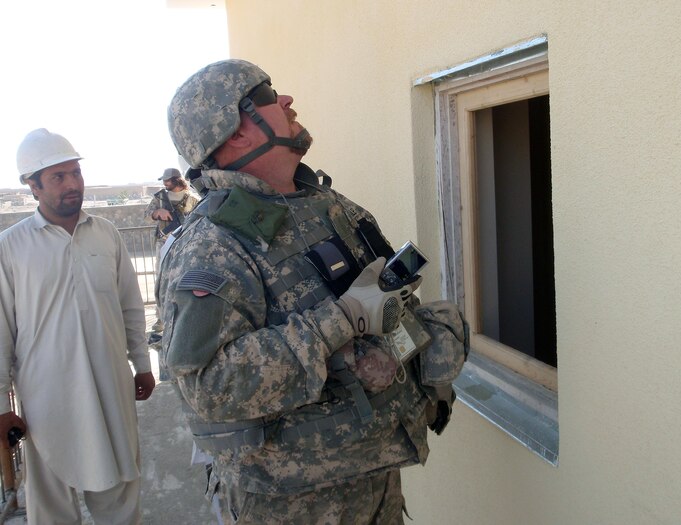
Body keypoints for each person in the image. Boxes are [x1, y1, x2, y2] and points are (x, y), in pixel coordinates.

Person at [159, 59, 467, 524]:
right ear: (236, 133)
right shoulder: (212, 245)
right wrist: (339, 321)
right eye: (265, 97)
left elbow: (390, 299)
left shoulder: (328, 205)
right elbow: (211, 384)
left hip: (373, 473)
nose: (285, 101)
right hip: (292, 502)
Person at [0, 128, 156, 524]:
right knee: (51, 504)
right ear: (31, 186)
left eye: (76, 173)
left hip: (112, 387)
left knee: (120, 493)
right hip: (46, 398)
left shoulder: (106, 234)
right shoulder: (10, 247)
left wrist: (142, 364)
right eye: (58, 177)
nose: (72, 185)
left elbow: (129, 306)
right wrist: (1, 407)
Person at [144, 167, 199, 344]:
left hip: (184, 244)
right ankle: (161, 318)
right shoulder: (160, 198)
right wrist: (156, 213)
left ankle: (182, 315)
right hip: (163, 243)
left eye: (167, 181)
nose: (164, 184)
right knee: (161, 280)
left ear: (176, 180)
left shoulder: (192, 199)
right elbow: (146, 216)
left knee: (185, 279)